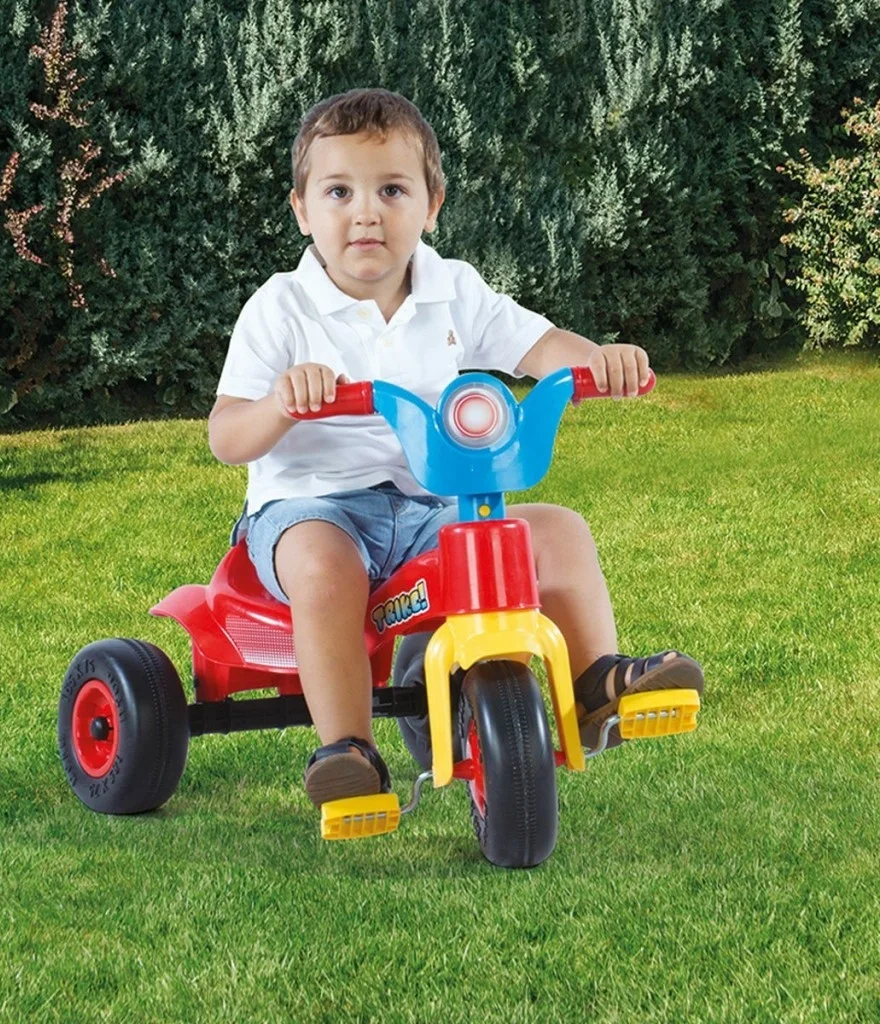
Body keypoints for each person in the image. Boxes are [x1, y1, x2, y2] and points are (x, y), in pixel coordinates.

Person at [208, 87, 703, 808]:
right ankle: (348, 749)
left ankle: (596, 682)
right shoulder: (281, 307)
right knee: (323, 567)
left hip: (428, 505)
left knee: (556, 530)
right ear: (302, 210)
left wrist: (598, 361)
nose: (366, 213)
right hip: (310, 510)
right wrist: (282, 404)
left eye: (392, 190)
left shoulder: (453, 288)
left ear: (432, 205)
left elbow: (537, 346)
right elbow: (226, 436)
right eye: (340, 192)